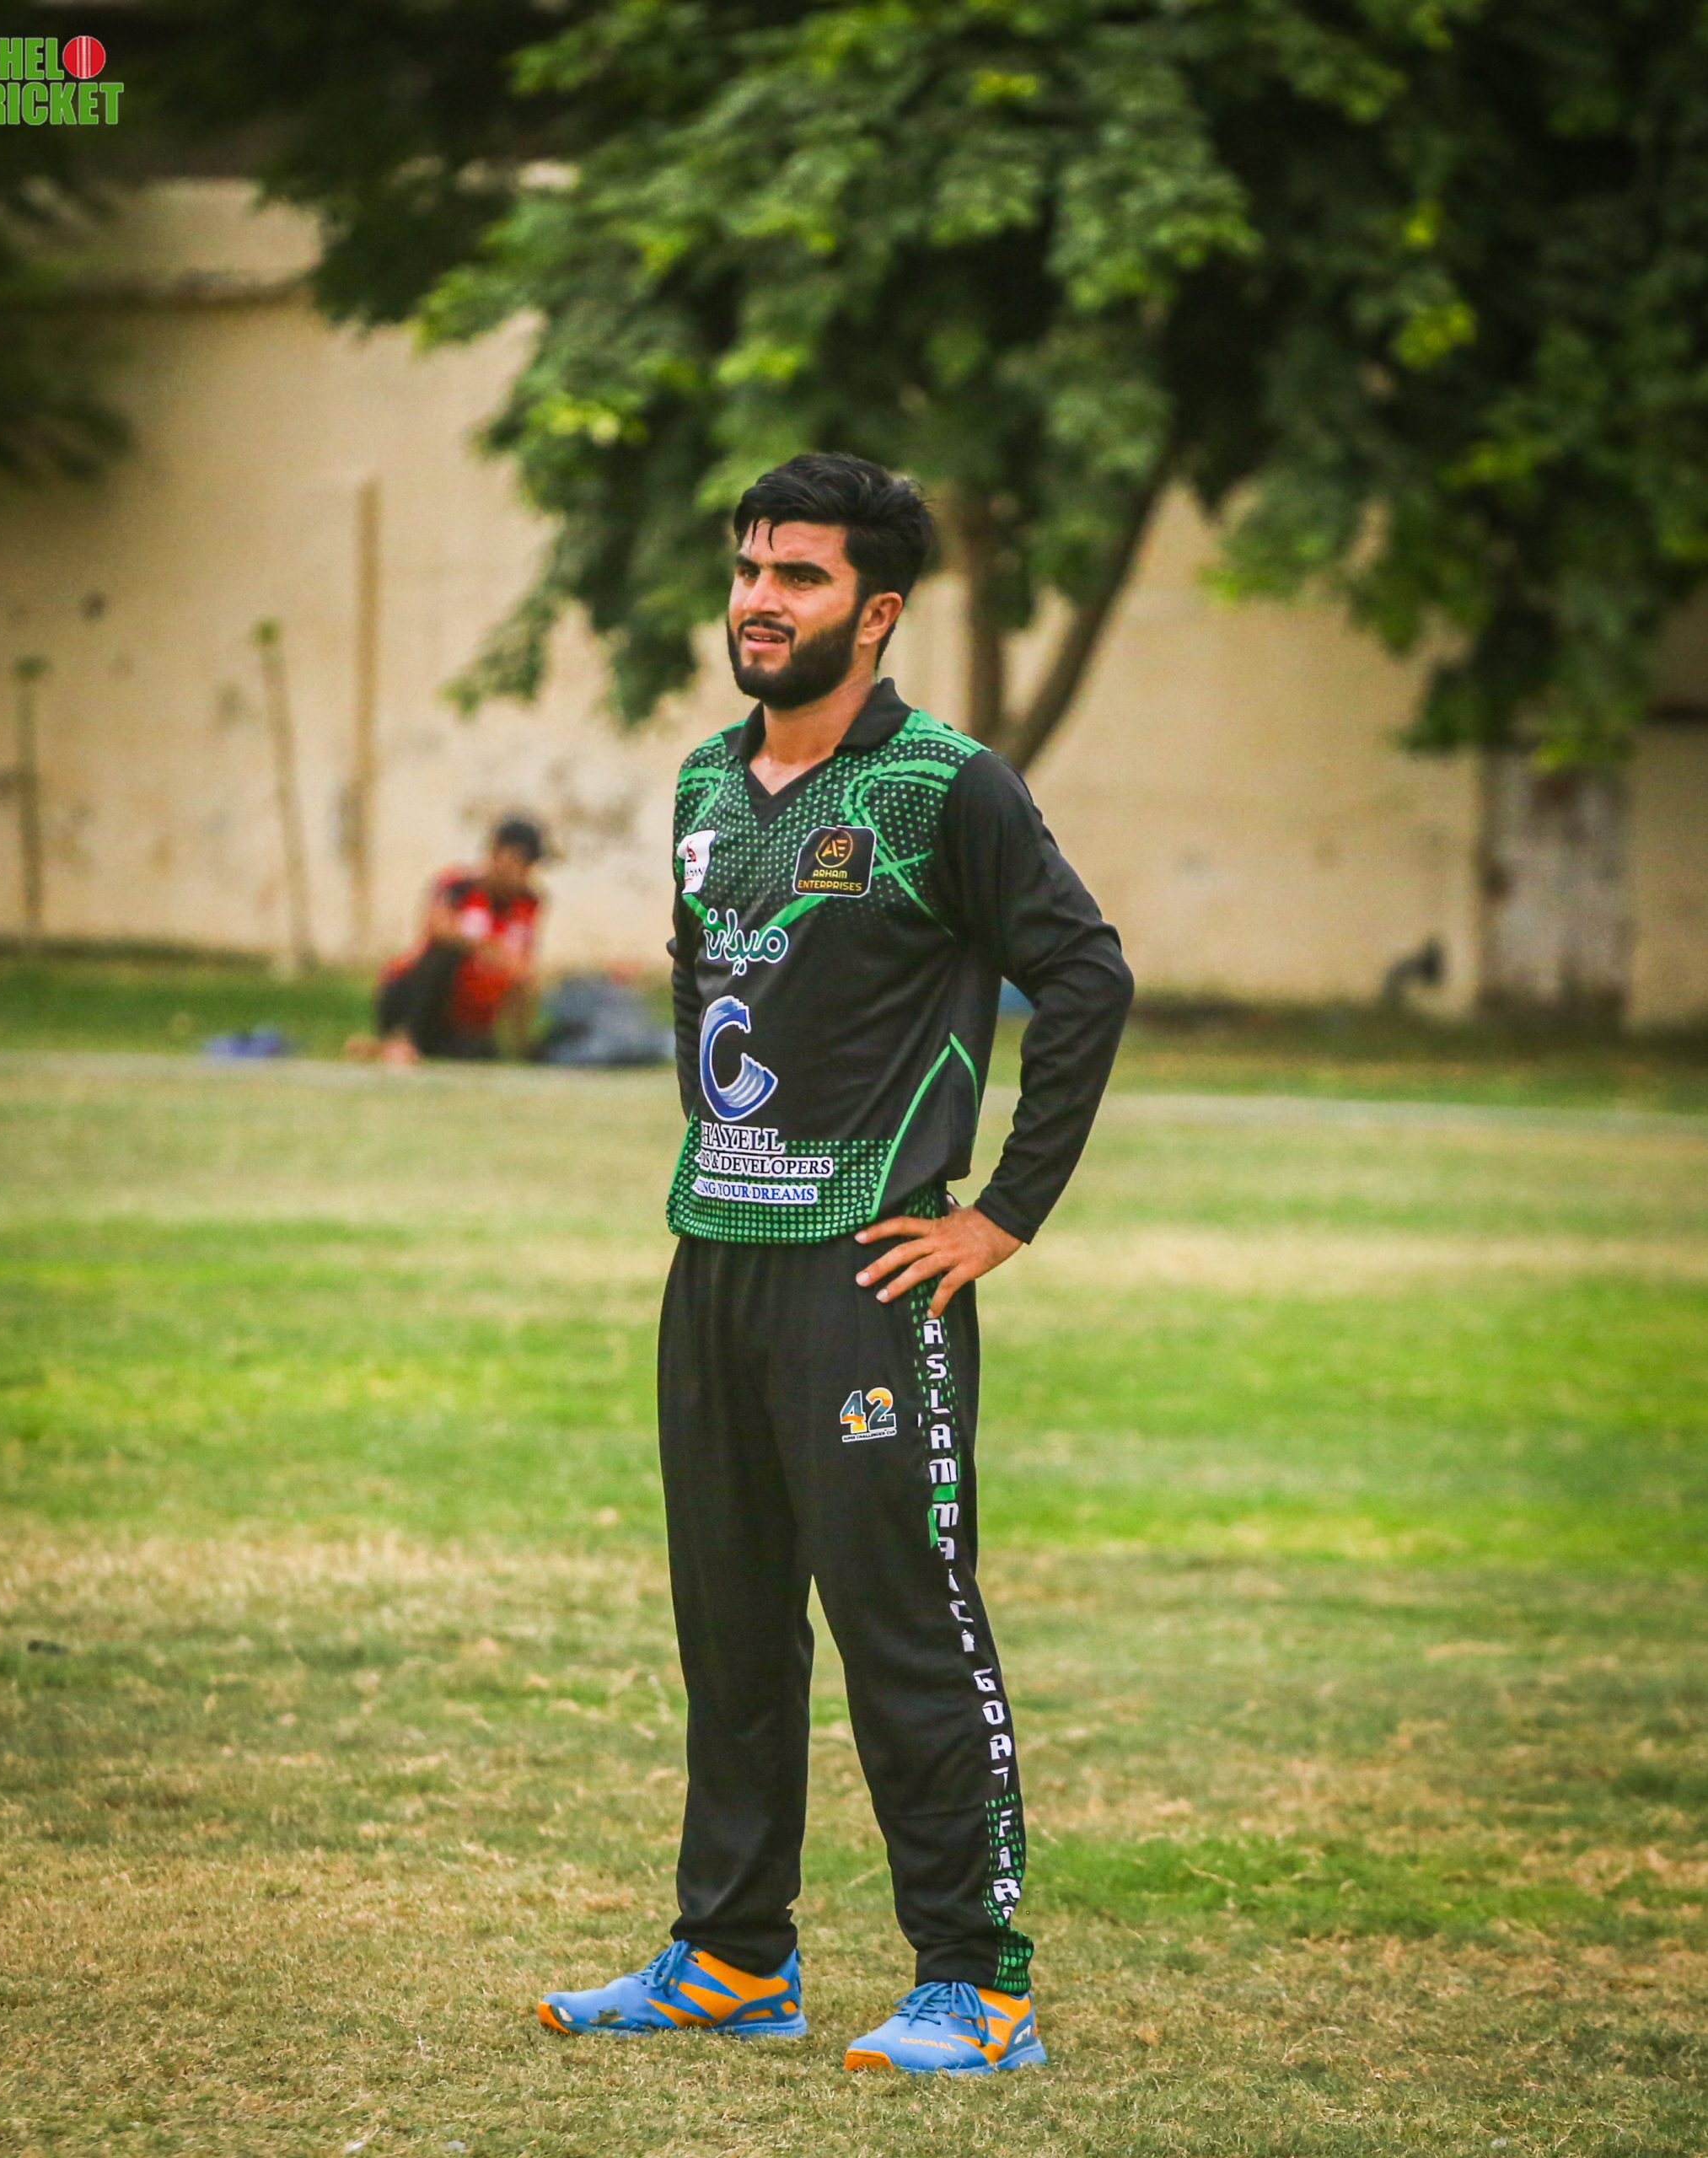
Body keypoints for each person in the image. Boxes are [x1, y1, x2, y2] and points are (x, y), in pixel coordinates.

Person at [536, 454, 1133, 2074]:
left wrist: (1003, 1212)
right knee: (731, 1629)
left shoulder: (948, 788)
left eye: (797, 576)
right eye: (749, 567)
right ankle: (735, 1956)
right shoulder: (704, 783)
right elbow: (702, 978)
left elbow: (1086, 978)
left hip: (871, 1271)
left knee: (904, 1627)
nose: (758, 598)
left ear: (876, 613)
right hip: (716, 1256)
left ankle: (976, 1984)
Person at [353, 818, 545, 1063]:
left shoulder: (528, 903)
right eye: (522, 862)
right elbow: (438, 927)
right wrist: (484, 946)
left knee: (480, 1053)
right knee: (444, 953)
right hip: (416, 995)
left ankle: (379, 1049)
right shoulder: (459, 886)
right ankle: (403, 1038)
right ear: (499, 855)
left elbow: (522, 966)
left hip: (463, 1015)